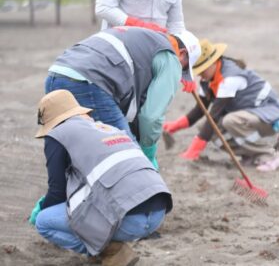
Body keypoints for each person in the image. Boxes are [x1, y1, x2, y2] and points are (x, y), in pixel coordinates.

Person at [29, 89, 172, 265]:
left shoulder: (57, 134)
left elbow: (57, 190)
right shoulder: (109, 128)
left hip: (127, 219)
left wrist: (43, 208)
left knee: (44, 222)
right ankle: (111, 246)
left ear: (51, 123)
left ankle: (111, 251)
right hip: (158, 212)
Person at [45, 26, 200, 168]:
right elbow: (151, 117)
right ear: (183, 54)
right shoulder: (170, 57)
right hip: (89, 82)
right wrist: (147, 153)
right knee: (128, 160)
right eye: (184, 67)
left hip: (56, 74)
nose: (180, 71)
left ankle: (56, 197)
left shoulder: (142, 38)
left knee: (71, 159)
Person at [162, 39, 279, 170]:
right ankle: (250, 154)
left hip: (271, 117)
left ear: (214, 62)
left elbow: (213, 117)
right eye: (197, 71)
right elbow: (200, 111)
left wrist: (193, 151)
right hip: (250, 116)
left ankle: (270, 155)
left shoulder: (229, 79)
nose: (200, 75)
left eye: (202, 70)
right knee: (206, 129)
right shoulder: (208, 79)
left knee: (229, 121)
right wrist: (174, 126)